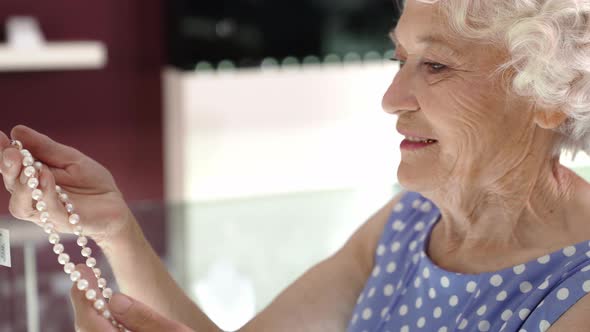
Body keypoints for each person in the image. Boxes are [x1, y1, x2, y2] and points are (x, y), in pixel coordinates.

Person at [3, 0, 590, 330]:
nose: (391, 96)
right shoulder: (407, 227)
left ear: (547, 95)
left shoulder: (576, 295)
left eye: (435, 66)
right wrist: (117, 231)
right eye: (400, 58)